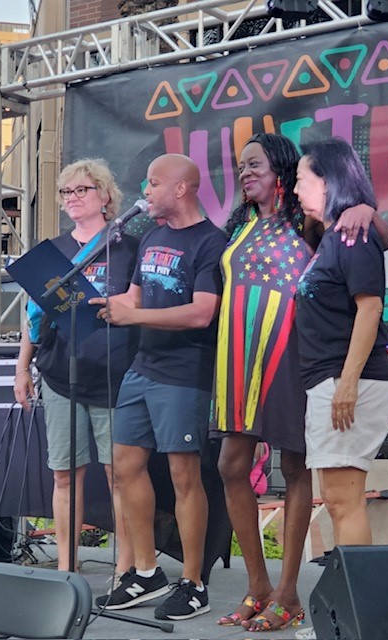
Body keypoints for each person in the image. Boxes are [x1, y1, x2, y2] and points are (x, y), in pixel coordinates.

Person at [210, 133, 388, 632]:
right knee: (231, 464)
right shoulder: (238, 226)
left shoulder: (309, 221)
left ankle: (288, 592)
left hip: (295, 359)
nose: (245, 173)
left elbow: (378, 239)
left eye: (255, 164)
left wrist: (365, 211)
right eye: (240, 166)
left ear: (283, 171)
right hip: (239, 362)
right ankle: (258, 585)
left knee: (297, 469)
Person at [89, 153, 227, 621]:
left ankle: (194, 583)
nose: (144, 191)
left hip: (185, 371)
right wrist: (109, 303)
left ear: (181, 189)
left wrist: (135, 314)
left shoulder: (211, 241)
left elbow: (203, 311)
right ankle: (146, 573)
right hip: (142, 366)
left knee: (184, 476)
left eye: (152, 183)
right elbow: (135, 295)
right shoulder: (150, 237)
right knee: (125, 468)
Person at [13, 158, 138, 575]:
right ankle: (68, 565)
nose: (72, 198)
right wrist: (21, 370)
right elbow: (34, 317)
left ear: (105, 196)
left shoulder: (126, 247)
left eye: (81, 190)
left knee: (120, 475)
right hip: (59, 375)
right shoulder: (53, 251)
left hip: (113, 375)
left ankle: (126, 567)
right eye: (66, 192)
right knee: (65, 474)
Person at [293, 137, 388, 550]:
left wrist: (348, 383)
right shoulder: (333, 235)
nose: (296, 189)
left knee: (342, 501)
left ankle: (358, 610)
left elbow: (369, 308)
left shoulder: (353, 234)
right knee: (338, 500)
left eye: (302, 180)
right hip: (329, 378)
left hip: (349, 379)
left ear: (328, 179)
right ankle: (353, 603)